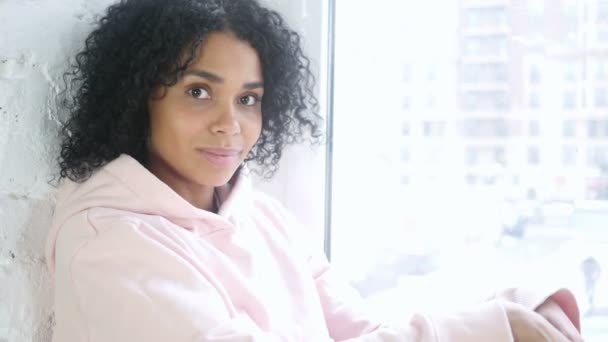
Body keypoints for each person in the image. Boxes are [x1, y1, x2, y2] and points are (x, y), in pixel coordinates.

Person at [45, 0, 583, 340]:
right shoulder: (106, 243)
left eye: (249, 99)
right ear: (139, 98)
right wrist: (489, 329)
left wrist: (513, 312)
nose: (230, 125)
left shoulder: (263, 219)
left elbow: (363, 331)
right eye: (199, 91)